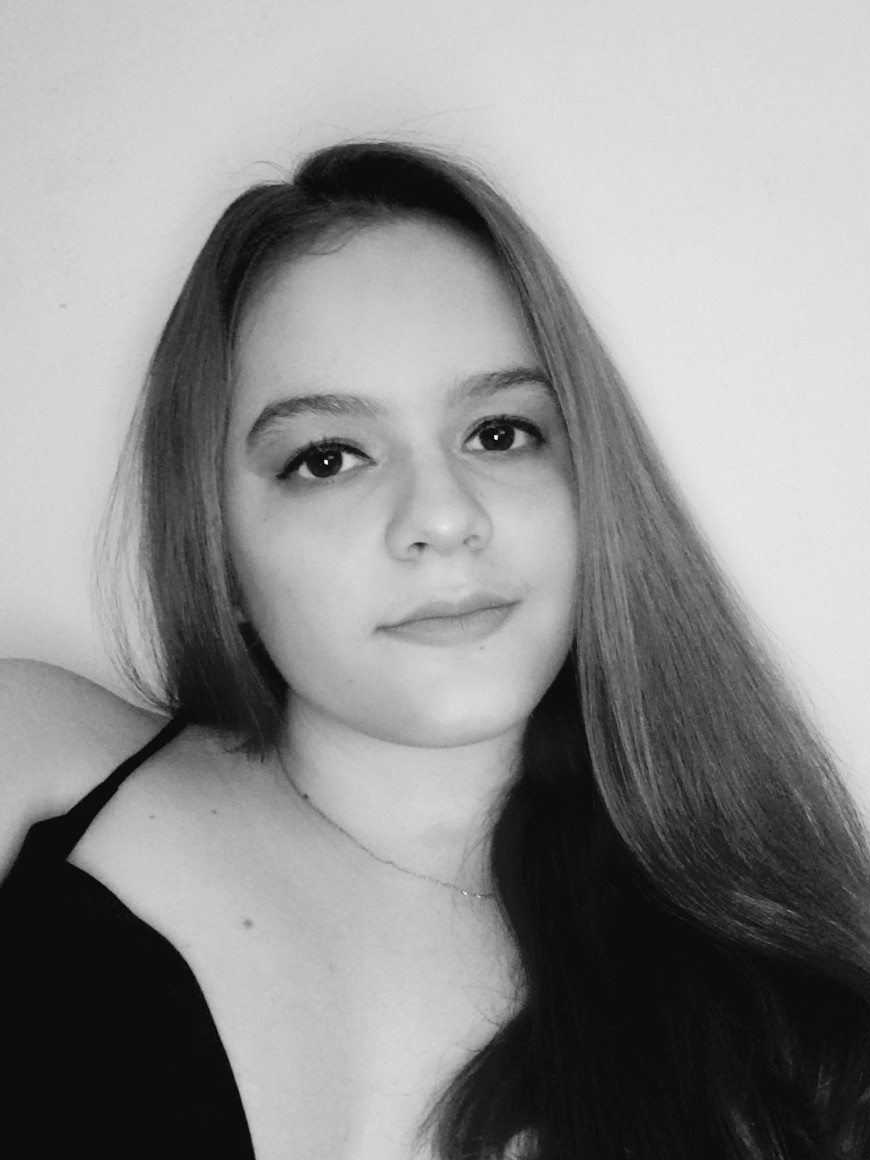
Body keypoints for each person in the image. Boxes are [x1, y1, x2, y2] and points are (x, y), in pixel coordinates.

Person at [1, 141, 869, 1160]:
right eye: (328, 457)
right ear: (217, 547)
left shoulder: (781, 1026)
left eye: (499, 433)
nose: (443, 517)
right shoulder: (38, 753)